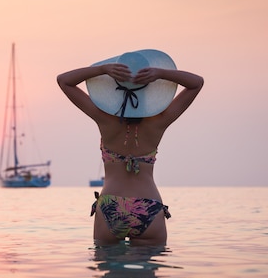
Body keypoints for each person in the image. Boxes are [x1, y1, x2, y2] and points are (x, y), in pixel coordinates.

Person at [57, 51, 203, 246]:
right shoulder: (159, 122)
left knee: (110, 271)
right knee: (147, 272)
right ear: (149, 91)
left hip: (111, 206)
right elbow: (197, 83)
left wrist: (101, 70)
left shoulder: (104, 119)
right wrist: (160, 74)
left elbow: (64, 81)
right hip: (148, 205)